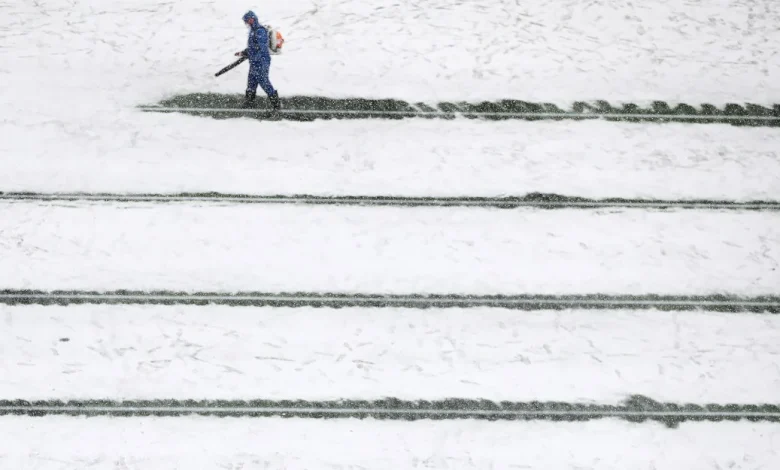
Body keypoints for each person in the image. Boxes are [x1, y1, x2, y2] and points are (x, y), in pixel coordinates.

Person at [236, 10, 280, 110]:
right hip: (254, 62)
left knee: (264, 82)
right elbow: (253, 47)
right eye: (245, 21)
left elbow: (262, 48)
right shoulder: (252, 31)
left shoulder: (260, 31)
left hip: (262, 61)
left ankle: (276, 105)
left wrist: (254, 57)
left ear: (252, 19)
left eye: (247, 20)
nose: (246, 23)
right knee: (251, 82)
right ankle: (249, 103)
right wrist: (244, 52)